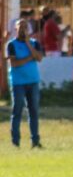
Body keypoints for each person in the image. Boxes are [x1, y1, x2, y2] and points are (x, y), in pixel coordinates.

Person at [5, 20, 44, 148]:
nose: (23, 29)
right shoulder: (11, 44)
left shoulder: (34, 43)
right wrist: (29, 58)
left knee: (33, 112)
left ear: (29, 30)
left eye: (25, 27)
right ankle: (15, 142)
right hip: (18, 83)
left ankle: (35, 141)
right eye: (20, 27)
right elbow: (14, 64)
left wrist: (28, 42)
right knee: (17, 112)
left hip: (33, 82)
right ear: (16, 29)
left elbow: (39, 58)